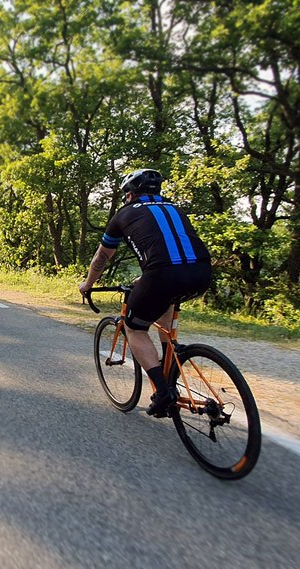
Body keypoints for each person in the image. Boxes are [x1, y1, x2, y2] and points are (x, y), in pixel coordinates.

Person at [79, 169, 212, 417]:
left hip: (162, 275)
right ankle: (169, 367)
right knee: (165, 304)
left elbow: (102, 256)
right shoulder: (176, 209)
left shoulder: (124, 214)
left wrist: (88, 284)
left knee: (135, 327)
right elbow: (173, 250)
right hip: (202, 272)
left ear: (129, 195)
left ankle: (163, 392)